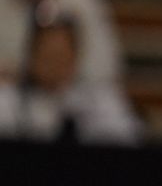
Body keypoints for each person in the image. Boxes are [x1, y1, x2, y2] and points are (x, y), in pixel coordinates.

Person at [0, 13, 140, 145]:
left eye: (60, 56)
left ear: (75, 57)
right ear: (31, 56)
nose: (54, 65)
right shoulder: (9, 101)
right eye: (48, 56)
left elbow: (129, 136)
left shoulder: (100, 100)